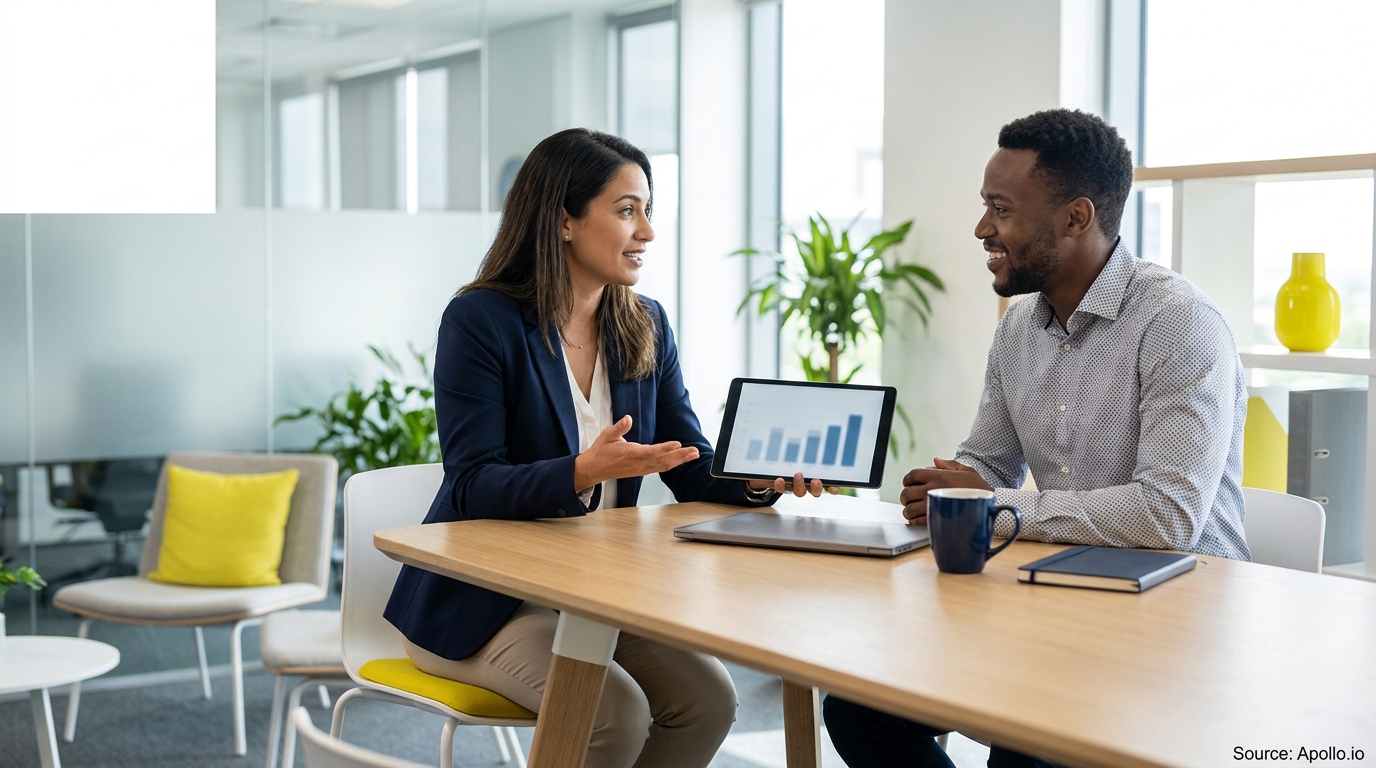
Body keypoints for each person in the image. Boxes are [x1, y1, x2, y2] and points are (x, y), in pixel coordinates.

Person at [384, 128, 828, 768]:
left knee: (708, 700)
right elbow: (471, 484)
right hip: (484, 601)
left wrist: (767, 481)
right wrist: (579, 472)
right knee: (611, 713)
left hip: (591, 595)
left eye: (647, 210)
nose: (646, 231)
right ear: (563, 219)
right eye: (627, 211)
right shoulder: (480, 321)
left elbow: (689, 465)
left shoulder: (643, 323)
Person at [822, 109, 1250, 768]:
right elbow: (984, 465)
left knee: (1029, 750)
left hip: (1174, 624)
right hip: (1052, 602)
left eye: (1001, 210)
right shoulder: (1019, 325)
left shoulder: (1180, 325)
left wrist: (993, 505)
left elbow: (1169, 516)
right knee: (858, 706)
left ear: (1076, 218)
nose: (981, 229)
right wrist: (944, 494)